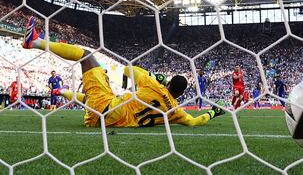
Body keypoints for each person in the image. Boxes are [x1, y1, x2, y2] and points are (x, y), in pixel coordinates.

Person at [22, 16, 225, 127]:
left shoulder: (152, 84)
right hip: (105, 119)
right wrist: (213, 112)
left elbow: (128, 69)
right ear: (180, 95)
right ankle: (62, 92)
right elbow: (194, 122)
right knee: (89, 98)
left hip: (107, 108)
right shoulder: (175, 111)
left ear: (169, 84)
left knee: (86, 55)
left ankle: (35, 42)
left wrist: (153, 78)